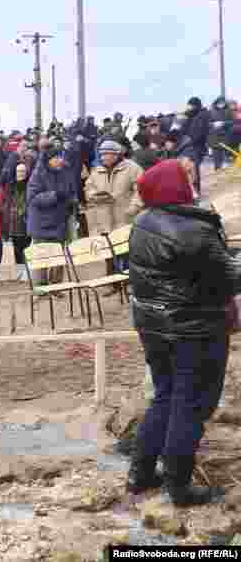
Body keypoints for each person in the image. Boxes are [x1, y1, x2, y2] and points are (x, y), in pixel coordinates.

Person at [127, 158, 241, 505]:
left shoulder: (144, 221)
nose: (191, 183)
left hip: (154, 325)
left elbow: (190, 268)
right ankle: (179, 485)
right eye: (186, 178)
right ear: (174, 187)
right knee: (190, 404)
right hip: (194, 329)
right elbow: (231, 277)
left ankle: (141, 474)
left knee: (164, 395)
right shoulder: (194, 230)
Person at [84, 140, 144, 274]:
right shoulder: (96, 170)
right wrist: (93, 195)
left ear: (117, 154)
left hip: (125, 217)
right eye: (101, 154)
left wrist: (133, 208)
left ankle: (129, 282)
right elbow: (88, 187)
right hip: (104, 218)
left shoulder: (133, 168)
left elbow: (140, 190)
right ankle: (114, 284)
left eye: (107, 154)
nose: (103, 157)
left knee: (127, 252)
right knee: (108, 252)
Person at [27, 145, 74, 288]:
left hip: (60, 221)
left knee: (58, 256)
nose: (60, 160)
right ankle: (41, 287)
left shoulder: (65, 172)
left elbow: (71, 192)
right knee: (42, 256)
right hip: (42, 223)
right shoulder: (38, 174)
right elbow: (33, 198)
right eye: (56, 157)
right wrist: (54, 195)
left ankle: (56, 286)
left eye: (61, 157)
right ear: (48, 160)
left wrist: (72, 201)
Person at [2, 162, 32, 282]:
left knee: (27, 244)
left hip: (26, 219)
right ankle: (20, 270)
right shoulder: (11, 185)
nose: (21, 174)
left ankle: (27, 270)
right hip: (13, 220)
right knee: (17, 246)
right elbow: (6, 202)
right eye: (19, 171)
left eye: (23, 171)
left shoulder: (30, 184)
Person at [179, 97, 211, 194]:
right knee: (190, 169)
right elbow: (184, 129)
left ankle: (196, 191)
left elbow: (200, 133)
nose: (189, 108)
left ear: (196, 106)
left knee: (194, 169)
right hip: (192, 146)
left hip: (197, 146)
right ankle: (193, 190)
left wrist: (190, 140)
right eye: (189, 106)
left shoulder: (202, 115)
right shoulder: (191, 116)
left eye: (191, 106)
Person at [208, 96, 232, 171]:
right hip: (214, 138)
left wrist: (223, 123)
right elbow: (207, 123)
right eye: (220, 103)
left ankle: (224, 172)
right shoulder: (211, 111)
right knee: (216, 160)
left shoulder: (229, 111)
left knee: (225, 159)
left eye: (223, 103)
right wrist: (213, 124)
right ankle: (217, 170)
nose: (221, 104)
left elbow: (232, 122)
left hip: (225, 138)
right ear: (216, 103)